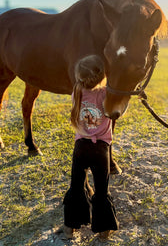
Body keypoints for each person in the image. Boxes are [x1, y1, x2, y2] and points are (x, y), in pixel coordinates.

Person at [63, 55, 119, 239]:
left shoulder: (76, 92)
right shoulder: (105, 94)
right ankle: (104, 231)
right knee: (102, 190)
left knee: (76, 186)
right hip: (100, 149)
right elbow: (116, 109)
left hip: (81, 146)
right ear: (101, 76)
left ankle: (69, 228)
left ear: (79, 77)